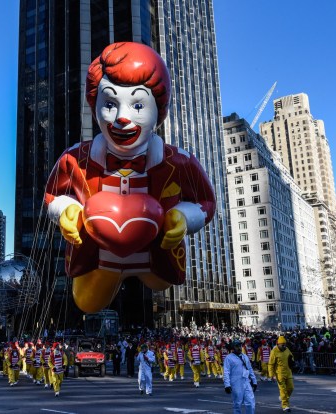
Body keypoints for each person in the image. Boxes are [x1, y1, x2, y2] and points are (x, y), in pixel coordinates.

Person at [44, 41, 216, 314]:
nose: (122, 117)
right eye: (110, 103)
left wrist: (183, 217)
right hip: (98, 261)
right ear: (95, 105)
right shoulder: (75, 158)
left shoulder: (178, 161)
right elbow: (53, 194)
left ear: (159, 113)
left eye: (138, 105)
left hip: (157, 262)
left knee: (158, 285)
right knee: (86, 303)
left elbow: (206, 201)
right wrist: (66, 210)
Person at [223, 340, 257, 414]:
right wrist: (227, 385)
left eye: (240, 346)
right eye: (237, 346)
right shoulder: (229, 358)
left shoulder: (245, 356)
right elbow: (226, 372)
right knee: (237, 404)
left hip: (246, 382)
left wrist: (254, 381)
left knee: (250, 403)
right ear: (233, 348)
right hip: (236, 383)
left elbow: (250, 369)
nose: (239, 348)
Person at [268, 336, 295, 413]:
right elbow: (271, 364)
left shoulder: (287, 349)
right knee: (283, 390)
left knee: (291, 388)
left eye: (285, 344)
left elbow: (291, 356)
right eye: (282, 345)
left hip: (288, 372)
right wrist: (271, 375)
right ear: (278, 344)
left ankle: (283, 398)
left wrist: (292, 361)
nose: (284, 346)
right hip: (279, 374)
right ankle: (285, 405)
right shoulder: (274, 351)